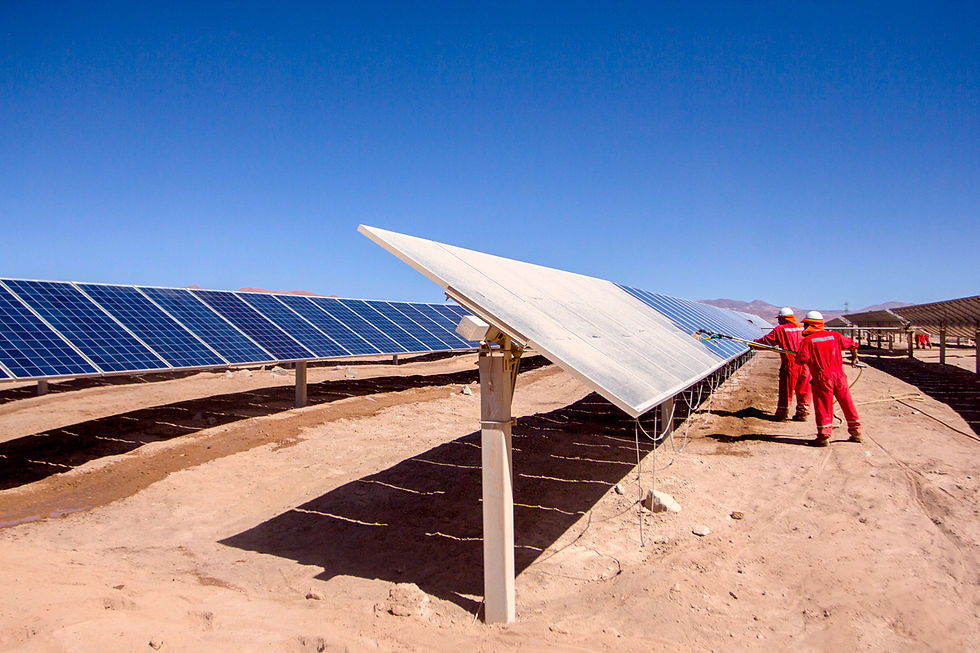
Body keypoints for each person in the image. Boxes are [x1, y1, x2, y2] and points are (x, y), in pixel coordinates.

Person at [795, 310, 863, 446]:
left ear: (810, 325)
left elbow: (801, 360)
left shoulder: (808, 341)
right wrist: (855, 358)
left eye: (805, 325)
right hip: (840, 377)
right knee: (847, 403)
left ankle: (823, 436)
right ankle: (857, 433)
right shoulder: (835, 336)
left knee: (823, 406)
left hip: (822, 378)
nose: (804, 327)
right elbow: (853, 344)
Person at [754, 306, 811, 421]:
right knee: (804, 390)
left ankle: (782, 414)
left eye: (779, 319)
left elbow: (767, 342)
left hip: (790, 365)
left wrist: (754, 344)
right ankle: (803, 413)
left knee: (786, 390)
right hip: (806, 365)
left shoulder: (780, 329)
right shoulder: (803, 328)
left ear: (784, 319)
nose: (778, 321)